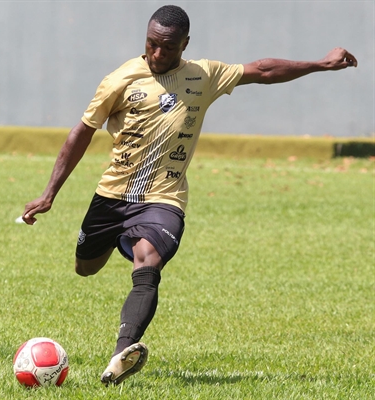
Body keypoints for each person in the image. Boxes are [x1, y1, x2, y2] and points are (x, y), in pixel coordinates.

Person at [22, 5, 357, 386]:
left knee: (148, 261)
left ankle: (121, 355)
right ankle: (118, 243)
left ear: (185, 44)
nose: (157, 54)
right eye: (151, 44)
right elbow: (80, 133)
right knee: (85, 267)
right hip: (113, 196)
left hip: (165, 198)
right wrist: (50, 193)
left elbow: (263, 70)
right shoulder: (119, 79)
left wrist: (319, 64)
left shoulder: (203, 74)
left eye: (168, 47)